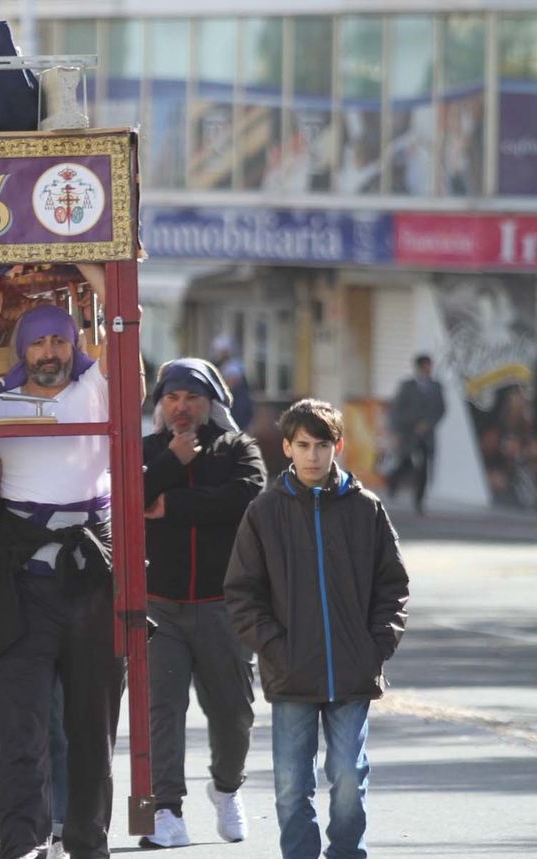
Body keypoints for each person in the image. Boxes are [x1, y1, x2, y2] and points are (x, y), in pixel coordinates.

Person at [0, 266, 124, 859]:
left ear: (74, 345)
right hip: (23, 582)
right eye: (38, 340)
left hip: (90, 575)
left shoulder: (96, 389)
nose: (50, 351)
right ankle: (21, 843)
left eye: (60, 339)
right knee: (22, 730)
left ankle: (87, 843)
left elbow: (124, 333)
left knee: (91, 728)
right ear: (22, 350)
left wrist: (97, 267)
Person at [224, 400, 409, 859]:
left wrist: (376, 647)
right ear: (286, 447)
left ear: (338, 447)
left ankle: (347, 853)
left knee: (348, 777)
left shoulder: (366, 509)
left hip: (352, 673)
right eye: (302, 445)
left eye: (322, 445)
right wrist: (275, 649)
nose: (312, 455)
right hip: (291, 675)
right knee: (291, 786)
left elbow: (393, 585)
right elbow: (243, 593)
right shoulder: (264, 512)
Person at [139, 359, 267, 848]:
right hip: (158, 607)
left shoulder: (237, 449)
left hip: (223, 604)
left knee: (233, 712)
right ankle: (166, 809)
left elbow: (247, 497)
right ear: (161, 404)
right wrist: (171, 461)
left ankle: (227, 787)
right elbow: (129, 497)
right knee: (162, 711)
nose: (182, 407)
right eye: (172, 397)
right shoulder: (149, 451)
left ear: (211, 402)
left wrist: (173, 506)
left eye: (192, 397)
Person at [387, 354, 446, 515]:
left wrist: (429, 423)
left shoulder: (436, 387)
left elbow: (441, 409)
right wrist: (399, 431)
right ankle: (393, 482)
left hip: (427, 436)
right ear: (419, 367)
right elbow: (397, 410)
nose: (429, 369)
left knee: (424, 468)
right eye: (426, 366)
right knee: (406, 462)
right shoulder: (407, 386)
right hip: (409, 433)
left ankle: (419, 501)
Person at [209, 334, 255, 432]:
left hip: (237, 409)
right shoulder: (222, 366)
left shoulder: (234, 368)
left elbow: (229, 386)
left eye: (220, 351)